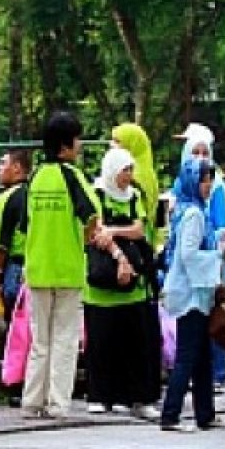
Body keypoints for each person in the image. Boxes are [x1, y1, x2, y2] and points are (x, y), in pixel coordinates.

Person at [19, 110, 99, 420]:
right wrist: (85, 237)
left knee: (39, 338)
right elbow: (91, 214)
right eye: (77, 139)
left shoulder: (37, 177)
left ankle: (32, 400)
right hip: (66, 268)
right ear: (66, 145)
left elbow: (26, 222)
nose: (79, 145)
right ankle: (58, 404)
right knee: (65, 338)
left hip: (38, 266)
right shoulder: (72, 176)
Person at [83, 147, 160, 420]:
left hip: (133, 287)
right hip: (102, 281)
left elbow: (138, 229)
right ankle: (100, 394)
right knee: (101, 342)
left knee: (134, 343)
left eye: (130, 170)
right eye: (124, 170)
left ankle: (135, 396)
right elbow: (96, 232)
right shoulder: (97, 195)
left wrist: (114, 232)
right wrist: (118, 257)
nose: (128, 175)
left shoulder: (134, 196)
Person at [159, 152, 225, 433]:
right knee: (188, 356)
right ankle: (171, 414)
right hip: (191, 294)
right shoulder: (195, 214)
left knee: (201, 357)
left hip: (192, 292)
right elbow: (189, 255)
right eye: (204, 180)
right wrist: (218, 253)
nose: (208, 185)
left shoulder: (186, 210)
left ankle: (205, 413)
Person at [111, 121, 163, 405]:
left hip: (137, 254)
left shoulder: (135, 179)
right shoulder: (149, 173)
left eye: (118, 142)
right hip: (147, 253)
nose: (112, 148)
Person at [0, 148, 31, 324]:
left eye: (3, 163)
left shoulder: (9, 197)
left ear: (17, 168)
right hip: (33, 269)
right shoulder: (33, 193)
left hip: (14, 269)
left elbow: (2, 242)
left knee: (14, 327)